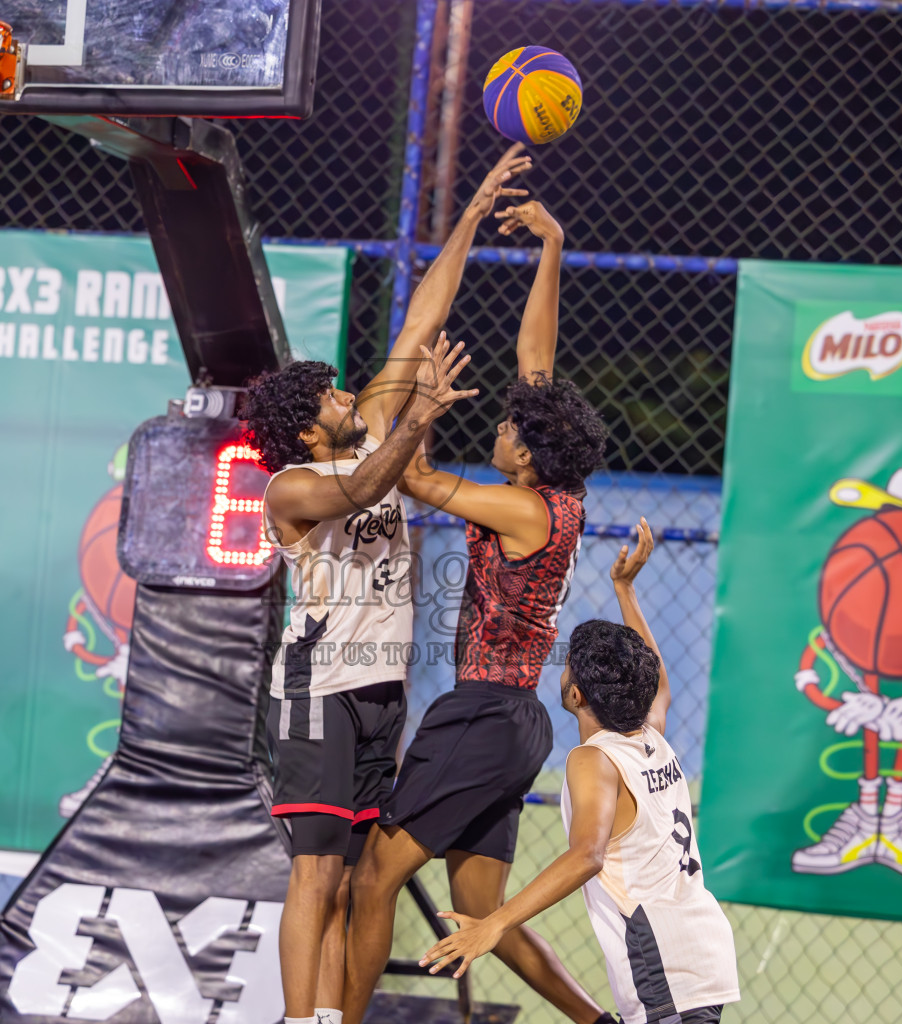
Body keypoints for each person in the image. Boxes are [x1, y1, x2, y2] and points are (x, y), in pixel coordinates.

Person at [242, 144, 533, 1024]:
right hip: (320, 686)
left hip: (382, 689)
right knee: (316, 871)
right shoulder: (290, 487)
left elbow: (419, 319)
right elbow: (368, 488)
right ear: (305, 427)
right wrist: (423, 416)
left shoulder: (369, 425)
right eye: (328, 394)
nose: (343, 392)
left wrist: (475, 213)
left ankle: (333, 1015)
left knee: (348, 884)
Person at [342, 199, 614, 1024]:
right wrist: (553, 247)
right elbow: (539, 360)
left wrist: (421, 407)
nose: (499, 425)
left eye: (505, 427)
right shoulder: (557, 492)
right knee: (481, 915)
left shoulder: (523, 510)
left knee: (372, 879)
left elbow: (413, 481)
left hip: (482, 712)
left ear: (526, 455)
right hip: (518, 719)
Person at [417, 520, 742, 1024]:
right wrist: (625, 588)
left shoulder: (593, 758)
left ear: (575, 696)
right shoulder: (651, 733)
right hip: (700, 945)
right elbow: (655, 676)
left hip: (662, 961)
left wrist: (494, 925)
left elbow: (587, 855)